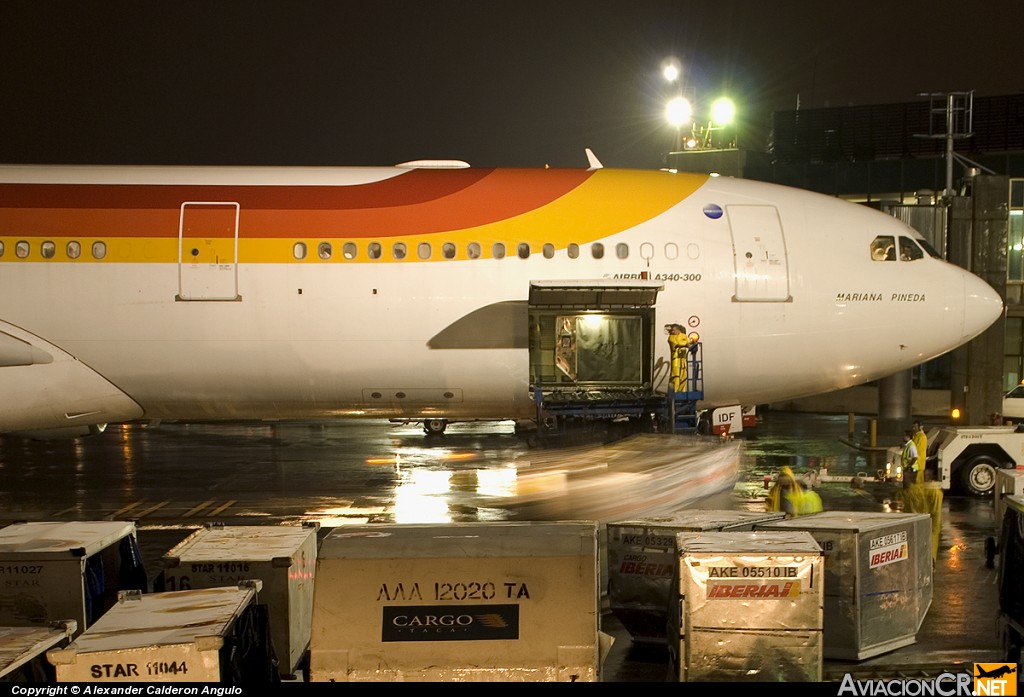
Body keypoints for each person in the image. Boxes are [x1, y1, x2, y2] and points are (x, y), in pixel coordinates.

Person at [667, 324, 691, 392]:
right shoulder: (671, 337)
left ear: (678, 330)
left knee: (683, 376)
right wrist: (686, 344)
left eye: (673, 330)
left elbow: (688, 342)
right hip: (676, 359)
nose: (672, 332)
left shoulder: (684, 336)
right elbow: (677, 343)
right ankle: (674, 391)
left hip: (683, 360)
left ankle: (682, 391)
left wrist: (688, 344)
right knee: (675, 376)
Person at [912, 420, 927, 485]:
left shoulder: (922, 437)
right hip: (915, 462)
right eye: (913, 427)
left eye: (915, 427)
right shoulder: (915, 435)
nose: (913, 428)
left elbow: (918, 449)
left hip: (919, 463)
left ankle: (919, 494)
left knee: (918, 482)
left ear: (920, 427)